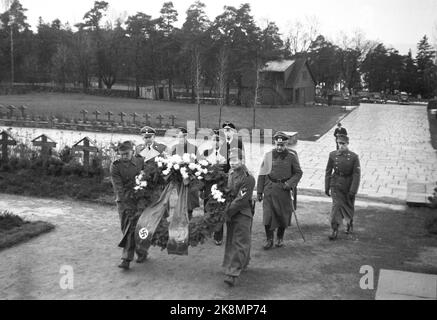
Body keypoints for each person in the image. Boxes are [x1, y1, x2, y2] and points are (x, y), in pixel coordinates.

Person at [257, 132, 303, 249]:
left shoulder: (291, 157)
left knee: (282, 215)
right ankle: (269, 239)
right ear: (275, 143)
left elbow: (298, 173)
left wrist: (289, 184)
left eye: (282, 145)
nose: (279, 147)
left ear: (286, 144)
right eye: (277, 144)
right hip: (270, 189)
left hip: (284, 190)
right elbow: (262, 174)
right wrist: (259, 192)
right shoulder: (268, 155)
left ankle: (280, 238)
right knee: (267, 215)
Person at [110, 141, 147, 270]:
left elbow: (147, 175)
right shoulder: (115, 166)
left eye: (126, 154)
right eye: (121, 154)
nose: (124, 156)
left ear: (132, 151)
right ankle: (141, 251)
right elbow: (118, 188)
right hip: (123, 200)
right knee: (125, 227)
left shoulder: (140, 161)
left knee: (134, 228)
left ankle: (126, 258)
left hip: (139, 199)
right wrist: (126, 203)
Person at [222, 148, 255, 287]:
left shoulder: (248, 178)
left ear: (242, 160)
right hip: (231, 212)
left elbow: (240, 200)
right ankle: (241, 262)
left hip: (242, 213)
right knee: (231, 240)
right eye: (231, 160)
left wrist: (226, 212)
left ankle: (233, 273)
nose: (232, 163)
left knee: (240, 241)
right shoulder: (231, 173)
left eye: (235, 160)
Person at [213, 121, 245, 245]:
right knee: (219, 205)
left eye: (229, 129)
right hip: (220, 178)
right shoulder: (218, 143)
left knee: (233, 205)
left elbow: (241, 161)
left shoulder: (239, 143)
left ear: (234, 132)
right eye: (225, 129)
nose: (227, 132)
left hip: (233, 178)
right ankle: (218, 234)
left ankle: (234, 233)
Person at [325, 134, 361, 240]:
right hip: (335, 184)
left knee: (348, 206)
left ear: (347, 144)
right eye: (339, 143)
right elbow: (328, 171)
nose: (341, 146)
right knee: (336, 206)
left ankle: (349, 222)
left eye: (343, 144)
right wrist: (327, 187)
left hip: (348, 185)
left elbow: (356, 175)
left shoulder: (354, 157)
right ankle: (334, 229)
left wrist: (353, 190)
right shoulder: (332, 155)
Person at [169, 127, 199, 220]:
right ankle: (182, 218)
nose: (181, 139)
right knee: (181, 199)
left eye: (183, 137)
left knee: (190, 200)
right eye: (179, 137)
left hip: (191, 178)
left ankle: (189, 217)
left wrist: (190, 171)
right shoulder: (174, 148)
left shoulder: (193, 148)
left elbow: (198, 163)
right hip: (179, 178)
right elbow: (171, 162)